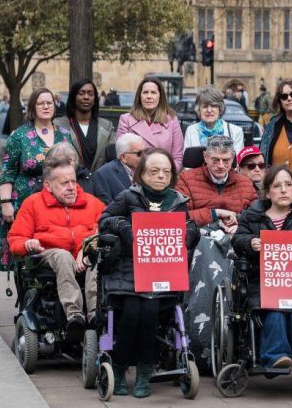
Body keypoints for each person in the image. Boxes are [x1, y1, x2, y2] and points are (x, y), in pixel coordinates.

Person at [99, 148, 199, 398]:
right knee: (133, 311)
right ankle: (120, 368)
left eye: (166, 171)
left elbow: (190, 227)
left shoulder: (178, 201)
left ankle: (145, 371)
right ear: (141, 174)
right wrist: (123, 225)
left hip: (162, 272)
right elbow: (104, 220)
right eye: (154, 171)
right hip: (129, 270)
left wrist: (189, 234)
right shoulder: (128, 196)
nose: (161, 176)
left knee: (151, 312)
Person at [232, 165, 292, 370]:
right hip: (264, 280)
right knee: (274, 309)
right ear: (268, 192)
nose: (284, 190)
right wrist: (251, 243)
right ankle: (276, 355)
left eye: (288, 185)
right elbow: (237, 239)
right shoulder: (252, 215)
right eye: (277, 186)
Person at [7, 156, 105, 331]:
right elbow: (15, 239)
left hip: (85, 256)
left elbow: (106, 231)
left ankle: (95, 314)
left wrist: (87, 247)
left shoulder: (93, 203)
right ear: (48, 185)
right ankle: (74, 315)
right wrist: (28, 244)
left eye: (73, 182)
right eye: (64, 183)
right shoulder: (33, 203)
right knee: (62, 255)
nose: (71, 187)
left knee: (96, 259)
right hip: (49, 254)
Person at [0, 87, 73, 271]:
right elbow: (7, 171)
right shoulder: (19, 136)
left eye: (49, 103)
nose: (46, 107)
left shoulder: (64, 134)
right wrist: (6, 202)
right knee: (25, 252)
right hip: (24, 203)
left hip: (57, 202)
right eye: (40, 103)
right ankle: (25, 296)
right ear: (32, 107)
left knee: (54, 247)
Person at [175, 137, 257, 232]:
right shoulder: (186, 179)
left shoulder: (245, 183)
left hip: (236, 238)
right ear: (205, 157)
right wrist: (214, 213)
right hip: (199, 238)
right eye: (215, 160)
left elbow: (257, 216)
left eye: (226, 160)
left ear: (233, 158)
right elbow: (179, 216)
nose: (221, 166)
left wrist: (241, 228)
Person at [116, 77, 184, 170]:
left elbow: (178, 158)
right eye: (145, 92)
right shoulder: (126, 119)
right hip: (134, 179)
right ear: (139, 96)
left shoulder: (172, 120)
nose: (149, 96)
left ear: (160, 96)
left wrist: (166, 176)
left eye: (153, 92)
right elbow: (121, 155)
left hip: (163, 179)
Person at [55, 78, 115, 172]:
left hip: (99, 182)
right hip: (70, 182)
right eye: (81, 93)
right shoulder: (59, 125)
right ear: (73, 97)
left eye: (90, 94)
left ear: (95, 99)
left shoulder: (106, 126)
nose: (86, 97)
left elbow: (112, 159)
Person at [183, 85, 244, 154]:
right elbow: (187, 161)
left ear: (220, 108)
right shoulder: (191, 131)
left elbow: (237, 162)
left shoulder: (236, 132)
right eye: (205, 106)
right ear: (199, 110)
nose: (209, 110)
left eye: (213, 106)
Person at [92, 133, 148, 205]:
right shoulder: (103, 175)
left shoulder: (152, 169)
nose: (145, 156)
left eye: (146, 151)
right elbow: (107, 207)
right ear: (123, 157)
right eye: (139, 153)